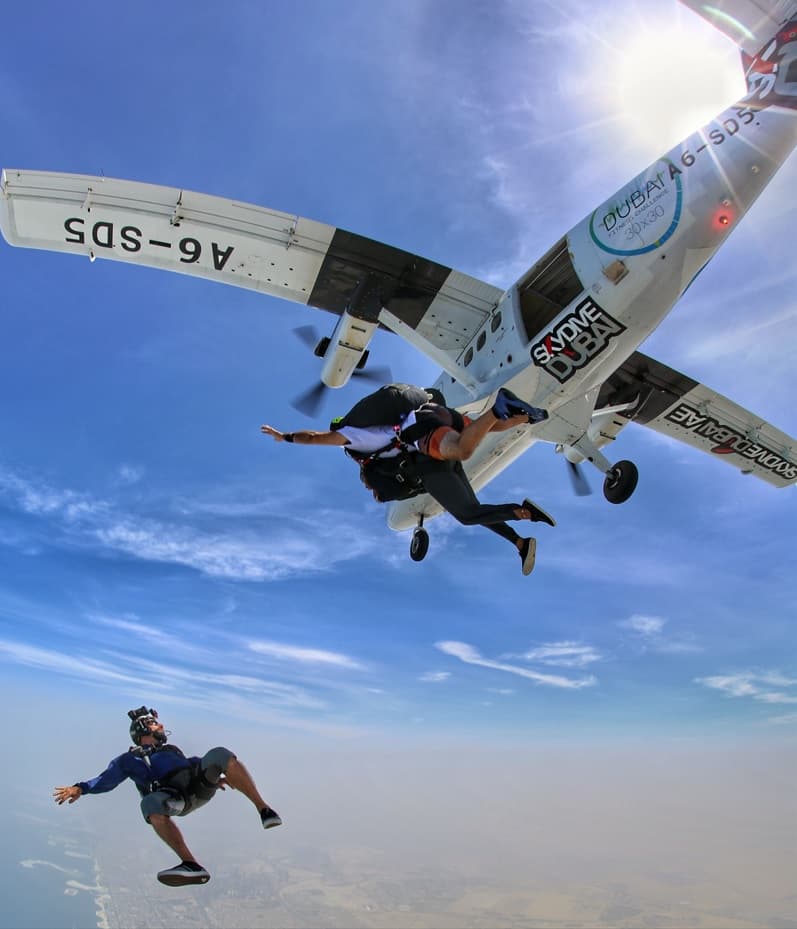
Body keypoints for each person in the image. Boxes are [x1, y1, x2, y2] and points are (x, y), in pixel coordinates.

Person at [261, 387, 555, 575]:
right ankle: (526, 418)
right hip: (439, 415)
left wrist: (284, 436)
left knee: (465, 497)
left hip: (423, 437)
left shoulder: (351, 437)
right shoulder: (373, 431)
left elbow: (312, 438)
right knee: (474, 502)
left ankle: (523, 510)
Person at [53, 707, 281, 887]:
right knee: (149, 803)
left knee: (220, 753)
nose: (161, 725)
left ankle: (264, 810)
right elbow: (106, 780)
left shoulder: (171, 750)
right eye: (154, 722)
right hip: (173, 798)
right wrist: (80, 788)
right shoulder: (129, 760)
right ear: (142, 730)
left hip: (197, 786)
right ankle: (191, 864)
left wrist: (218, 772)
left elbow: (191, 763)